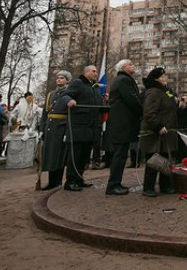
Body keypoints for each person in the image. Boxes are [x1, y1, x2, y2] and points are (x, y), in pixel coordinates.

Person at [57, 65, 105, 192]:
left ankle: (79, 178)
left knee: (84, 156)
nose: (96, 73)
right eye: (93, 71)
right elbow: (65, 96)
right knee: (76, 156)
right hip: (79, 126)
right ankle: (70, 181)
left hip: (92, 127)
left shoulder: (94, 87)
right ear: (86, 72)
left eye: (96, 71)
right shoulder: (78, 83)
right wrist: (70, 101)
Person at [105, 60, 144, 196]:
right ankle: (113, 185)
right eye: (130, 64)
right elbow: (132, 99)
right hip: (122, 123)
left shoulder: (123, 80)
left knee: (121, 154)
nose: (133, 65)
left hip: (121, 123)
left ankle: (116, 183)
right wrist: (142, 110)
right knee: (119, 155)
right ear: (123, 67)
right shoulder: (124, 81)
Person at [140, 67, 178, 197]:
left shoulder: (165, 91)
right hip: (155, 133)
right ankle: (148, 187)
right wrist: (158, 126)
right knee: (153, 160)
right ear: (155, 79)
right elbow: (149, 112)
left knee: (165, 159)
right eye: (162, 76)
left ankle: (165, 185)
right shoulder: (153, 92)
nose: (165, 78)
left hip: (167, 132)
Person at [40, 71, 72, 190]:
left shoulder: (68, 94)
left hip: (61, 127)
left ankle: (57, 180)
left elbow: (70, 114)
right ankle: (51, 180)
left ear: (67, 80)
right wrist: (42, 128)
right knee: (50, 155)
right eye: (58, 78)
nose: (59, 80)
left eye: (62, 78)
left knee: (59, 155)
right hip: (50, 127)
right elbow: (45, 113)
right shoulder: (51, 95)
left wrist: (67, 131)